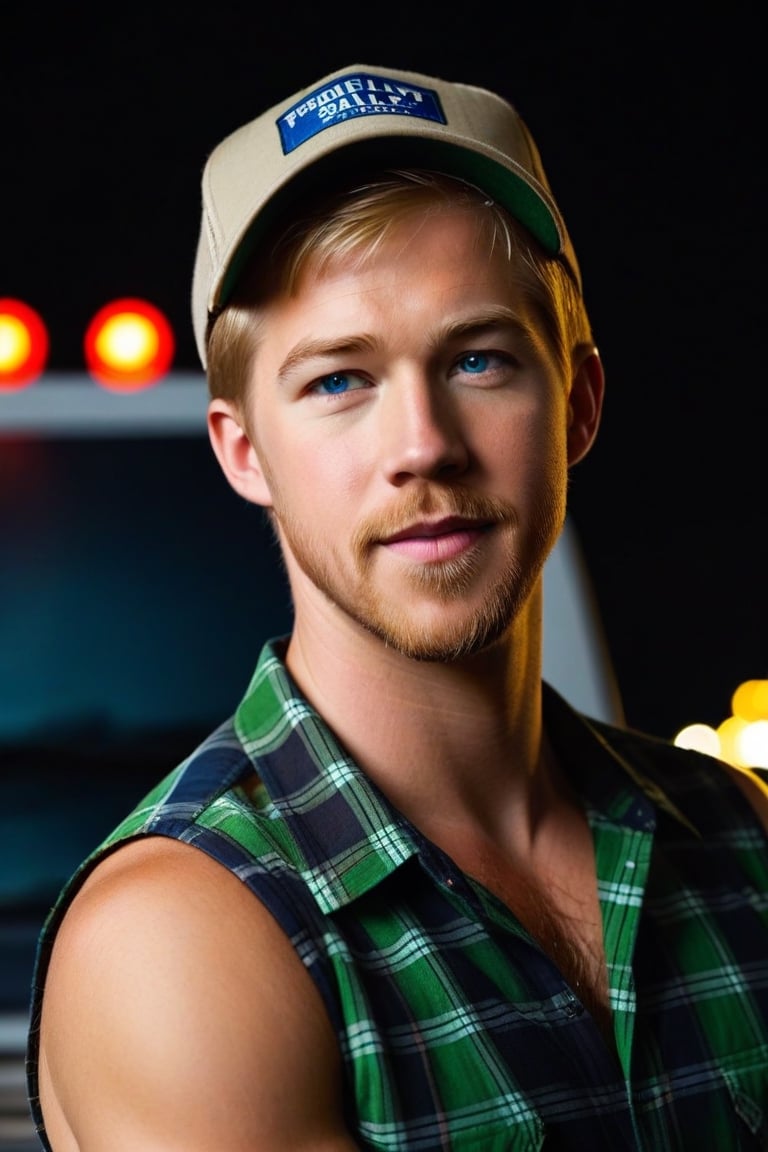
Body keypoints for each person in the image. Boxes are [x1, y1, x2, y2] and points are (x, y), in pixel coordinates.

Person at [26, 63, 768, 1150]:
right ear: (244, 452)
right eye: (338, 380)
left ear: (578, 402)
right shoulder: (183, 936)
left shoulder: (737, 841)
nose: (422, 445)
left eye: (477, 359)